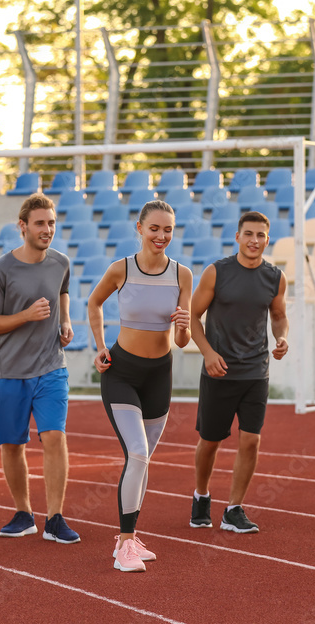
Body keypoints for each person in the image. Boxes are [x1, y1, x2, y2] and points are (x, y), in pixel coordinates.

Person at [88, 200, 192, 572]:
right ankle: (124, 544)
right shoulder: (121, 269)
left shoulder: (183, 275)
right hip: (122, 372)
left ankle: (130, 537)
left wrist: (183, 324)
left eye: (167, 230)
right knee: (137, 452)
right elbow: (94, 303)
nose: (161, 236)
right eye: (154, 229)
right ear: (140, 228)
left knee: (144, 461)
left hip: (159, 375)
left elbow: (182, 341)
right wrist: (99, 346)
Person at [0, 193, 80, 545]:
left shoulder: (60, 262)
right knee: (13, 444)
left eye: (51, 223)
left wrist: (65, 321)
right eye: (40, 223)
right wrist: (26, 316)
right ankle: (24, 513)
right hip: (8, 370)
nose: (47, 229)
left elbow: (63, 291)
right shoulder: (1, 269)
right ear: (22, 227)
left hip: (51, 366)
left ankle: (55, 517)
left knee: (55, 437)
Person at [188, 210, 288, 534]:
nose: (254, 240)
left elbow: (278, 316)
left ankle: (233, 508)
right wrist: (208, 353)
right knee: (210, 441)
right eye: (249, 234)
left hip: (256, 371)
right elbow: (192, 317)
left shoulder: (275, 277)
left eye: (261, 235)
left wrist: (282, 337)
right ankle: (201, 495)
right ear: (237, 237)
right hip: (219, 371)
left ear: (267, 239)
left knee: (251, 441)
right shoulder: (216, 272)